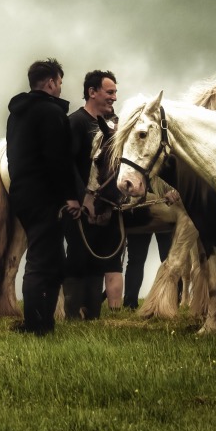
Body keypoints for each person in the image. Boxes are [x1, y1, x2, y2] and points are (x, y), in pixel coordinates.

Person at [5, 58, 79, 336]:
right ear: (50, 82)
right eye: (59, 82)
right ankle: (35, 325)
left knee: (53, 259)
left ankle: (44, 321)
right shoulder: (51, 113)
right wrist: (70, 196)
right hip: (46, 196)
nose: (60, 88)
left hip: (23, 193)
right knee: (40, 261)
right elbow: (57, 160)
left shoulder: (17, 114)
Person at [63, 70, 123, 319]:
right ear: (92, 92)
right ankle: (74, 315)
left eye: (115, 92)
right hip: (81, 205)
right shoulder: (75, 122)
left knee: (102, 260)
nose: (114, 98)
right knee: (78, 258)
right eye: (110, 92)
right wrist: (78, 199)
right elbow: (67, 164)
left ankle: (93, 315)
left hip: (107, 206)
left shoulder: (115, 123)